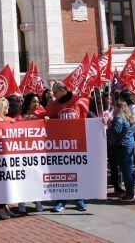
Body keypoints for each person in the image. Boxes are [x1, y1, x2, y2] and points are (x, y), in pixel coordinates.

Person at [47, 82, 88, 212]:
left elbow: (90, 115)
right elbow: (47, 117)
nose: (54, 95)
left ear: (63, 89)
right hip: (62, 146)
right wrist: (44, 118)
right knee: (62, 174)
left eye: (55, 92)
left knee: (78, 173)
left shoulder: (78, 101)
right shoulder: (53, 105)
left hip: (78, 144)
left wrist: (102, 120)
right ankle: (61, 201)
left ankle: (80, 200)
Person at [109, 100, 135, 202]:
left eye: (114, 106)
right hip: (130, 144)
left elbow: (115, 131)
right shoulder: (128, 116)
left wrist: (109, 125)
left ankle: (130, 195)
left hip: (123, 146)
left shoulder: (119, 118)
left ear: (118, 107)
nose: (113, 108)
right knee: (130, 169)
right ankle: (132, 192)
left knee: (126, 171)